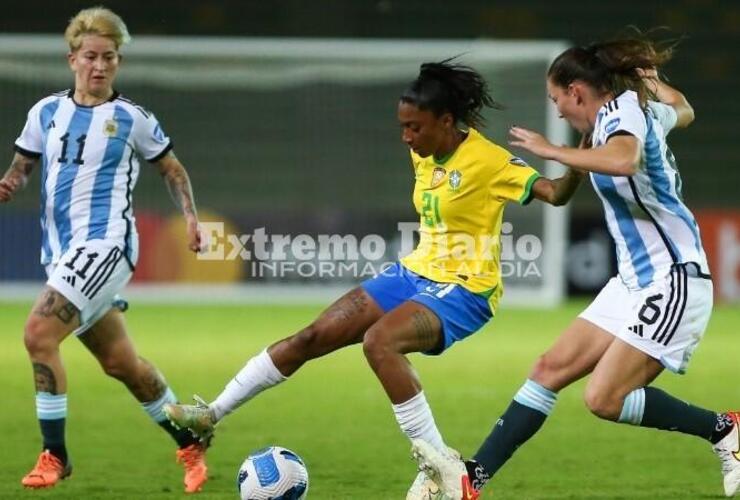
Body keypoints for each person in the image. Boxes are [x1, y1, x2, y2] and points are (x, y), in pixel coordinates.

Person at [164, 58, 585, 499]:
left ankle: (440, 463)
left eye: (415, 128)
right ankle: (210, 414)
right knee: (311, 336)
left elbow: (555, 194)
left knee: (379, 342)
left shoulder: (488, 160)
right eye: (402, 126)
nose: (406, 137)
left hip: (466, 288)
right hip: (414, 272)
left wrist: (577, 155)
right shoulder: (423, 150)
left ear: (445, 121)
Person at [412, 34, 740, 500]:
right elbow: (683, 108)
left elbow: (624, 161)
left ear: (577, 92)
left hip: (673, 279)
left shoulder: (620, 112)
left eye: (557, 100)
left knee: (603, 399)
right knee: (549, 368)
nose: (559, 111)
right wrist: (658, 84)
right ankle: (470, 481)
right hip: (634, 282)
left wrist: (552, 151)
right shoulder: (637, 111)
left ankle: (725, 429)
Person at [0, 7, 210, 493]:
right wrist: (10, 183)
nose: (100, 66)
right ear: (72, 58)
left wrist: (192, 218)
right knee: (121, 363)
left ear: (118, 61)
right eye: (91, 56)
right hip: (61, 252)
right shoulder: (45, 112)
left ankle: (56, 455)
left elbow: (172, 170)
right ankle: (190, 435)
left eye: (110, 58)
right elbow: (23, 165)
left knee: (38, 333)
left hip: (107, 246)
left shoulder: (131, 118)